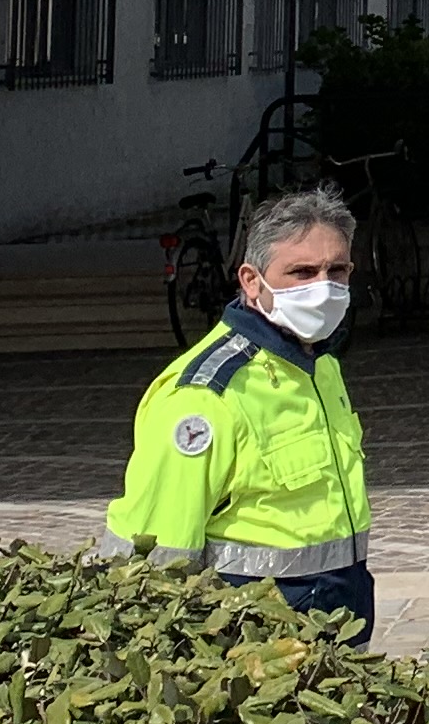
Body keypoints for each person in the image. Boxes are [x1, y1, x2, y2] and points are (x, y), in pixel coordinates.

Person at [106, 184, 378, 637]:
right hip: (256, 642)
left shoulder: (319, 363)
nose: (323, 287)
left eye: (337, 270)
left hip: (338, 625)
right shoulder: (206, 394)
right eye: (302, 272)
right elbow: (155, 554)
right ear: (252, 281)